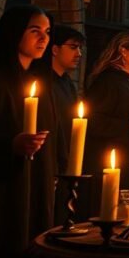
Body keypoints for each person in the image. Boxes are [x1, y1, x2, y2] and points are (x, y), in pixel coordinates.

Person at [0, 6, 55, 258]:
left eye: (47, 32)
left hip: (37, 184)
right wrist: (10, 145)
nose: (43, 38)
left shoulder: (42, 84)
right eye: (35, 31)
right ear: (13, 34)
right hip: (1, 191)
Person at [33, 25, 85, 225]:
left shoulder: (66, 83)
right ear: (54, 49)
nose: (78, 53)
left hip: (66, 161)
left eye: (80, 48)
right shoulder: (42, 81)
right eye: (73, 47)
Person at [85, 31, 129, 175]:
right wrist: (127, 128)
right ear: (123, 50)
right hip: (108, 159)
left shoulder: (127, 81)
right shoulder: (108, 81)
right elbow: (93, 120)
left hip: (127, 156)